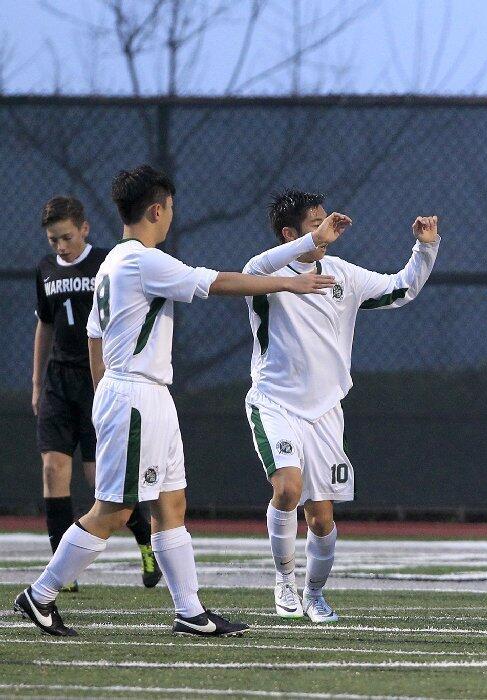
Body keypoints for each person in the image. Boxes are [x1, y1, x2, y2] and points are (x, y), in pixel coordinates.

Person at [14, 165, 343, 637]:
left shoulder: (111, 264)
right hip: (135, 395)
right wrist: (289, 281)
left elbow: (94, 338)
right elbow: (220, 282)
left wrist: (106, 392)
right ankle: (41, 593)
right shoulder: (141, 261)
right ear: (155, 209)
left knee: (171, 504)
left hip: (144, 394)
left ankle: (190, 611)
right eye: (168, 208)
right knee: (115, 508)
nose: (171, 217)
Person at [245, 189, 439, 622]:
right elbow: (254, 267)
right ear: (289, 233)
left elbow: (400, 289)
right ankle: (284, 579)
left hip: (326, 413)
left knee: (321, 521)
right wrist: (310, 241)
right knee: (287, 489)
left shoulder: (341, 275)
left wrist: (425, 246)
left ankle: (314, 594)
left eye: (325, 222)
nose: (326, 231)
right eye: (315, 224)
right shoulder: (266, 276)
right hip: (275, 403)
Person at [33, 196, 160, 590]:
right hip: (58, 381)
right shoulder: (45, 270)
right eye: (53, 240)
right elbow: (45, 325)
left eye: (66, 237)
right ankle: (60, 569)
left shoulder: (108, 263)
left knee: (101, 481)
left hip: (98, 382)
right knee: (54, 470)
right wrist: (37, 382)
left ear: (84, 229)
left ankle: (145, 543)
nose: (60, 246)